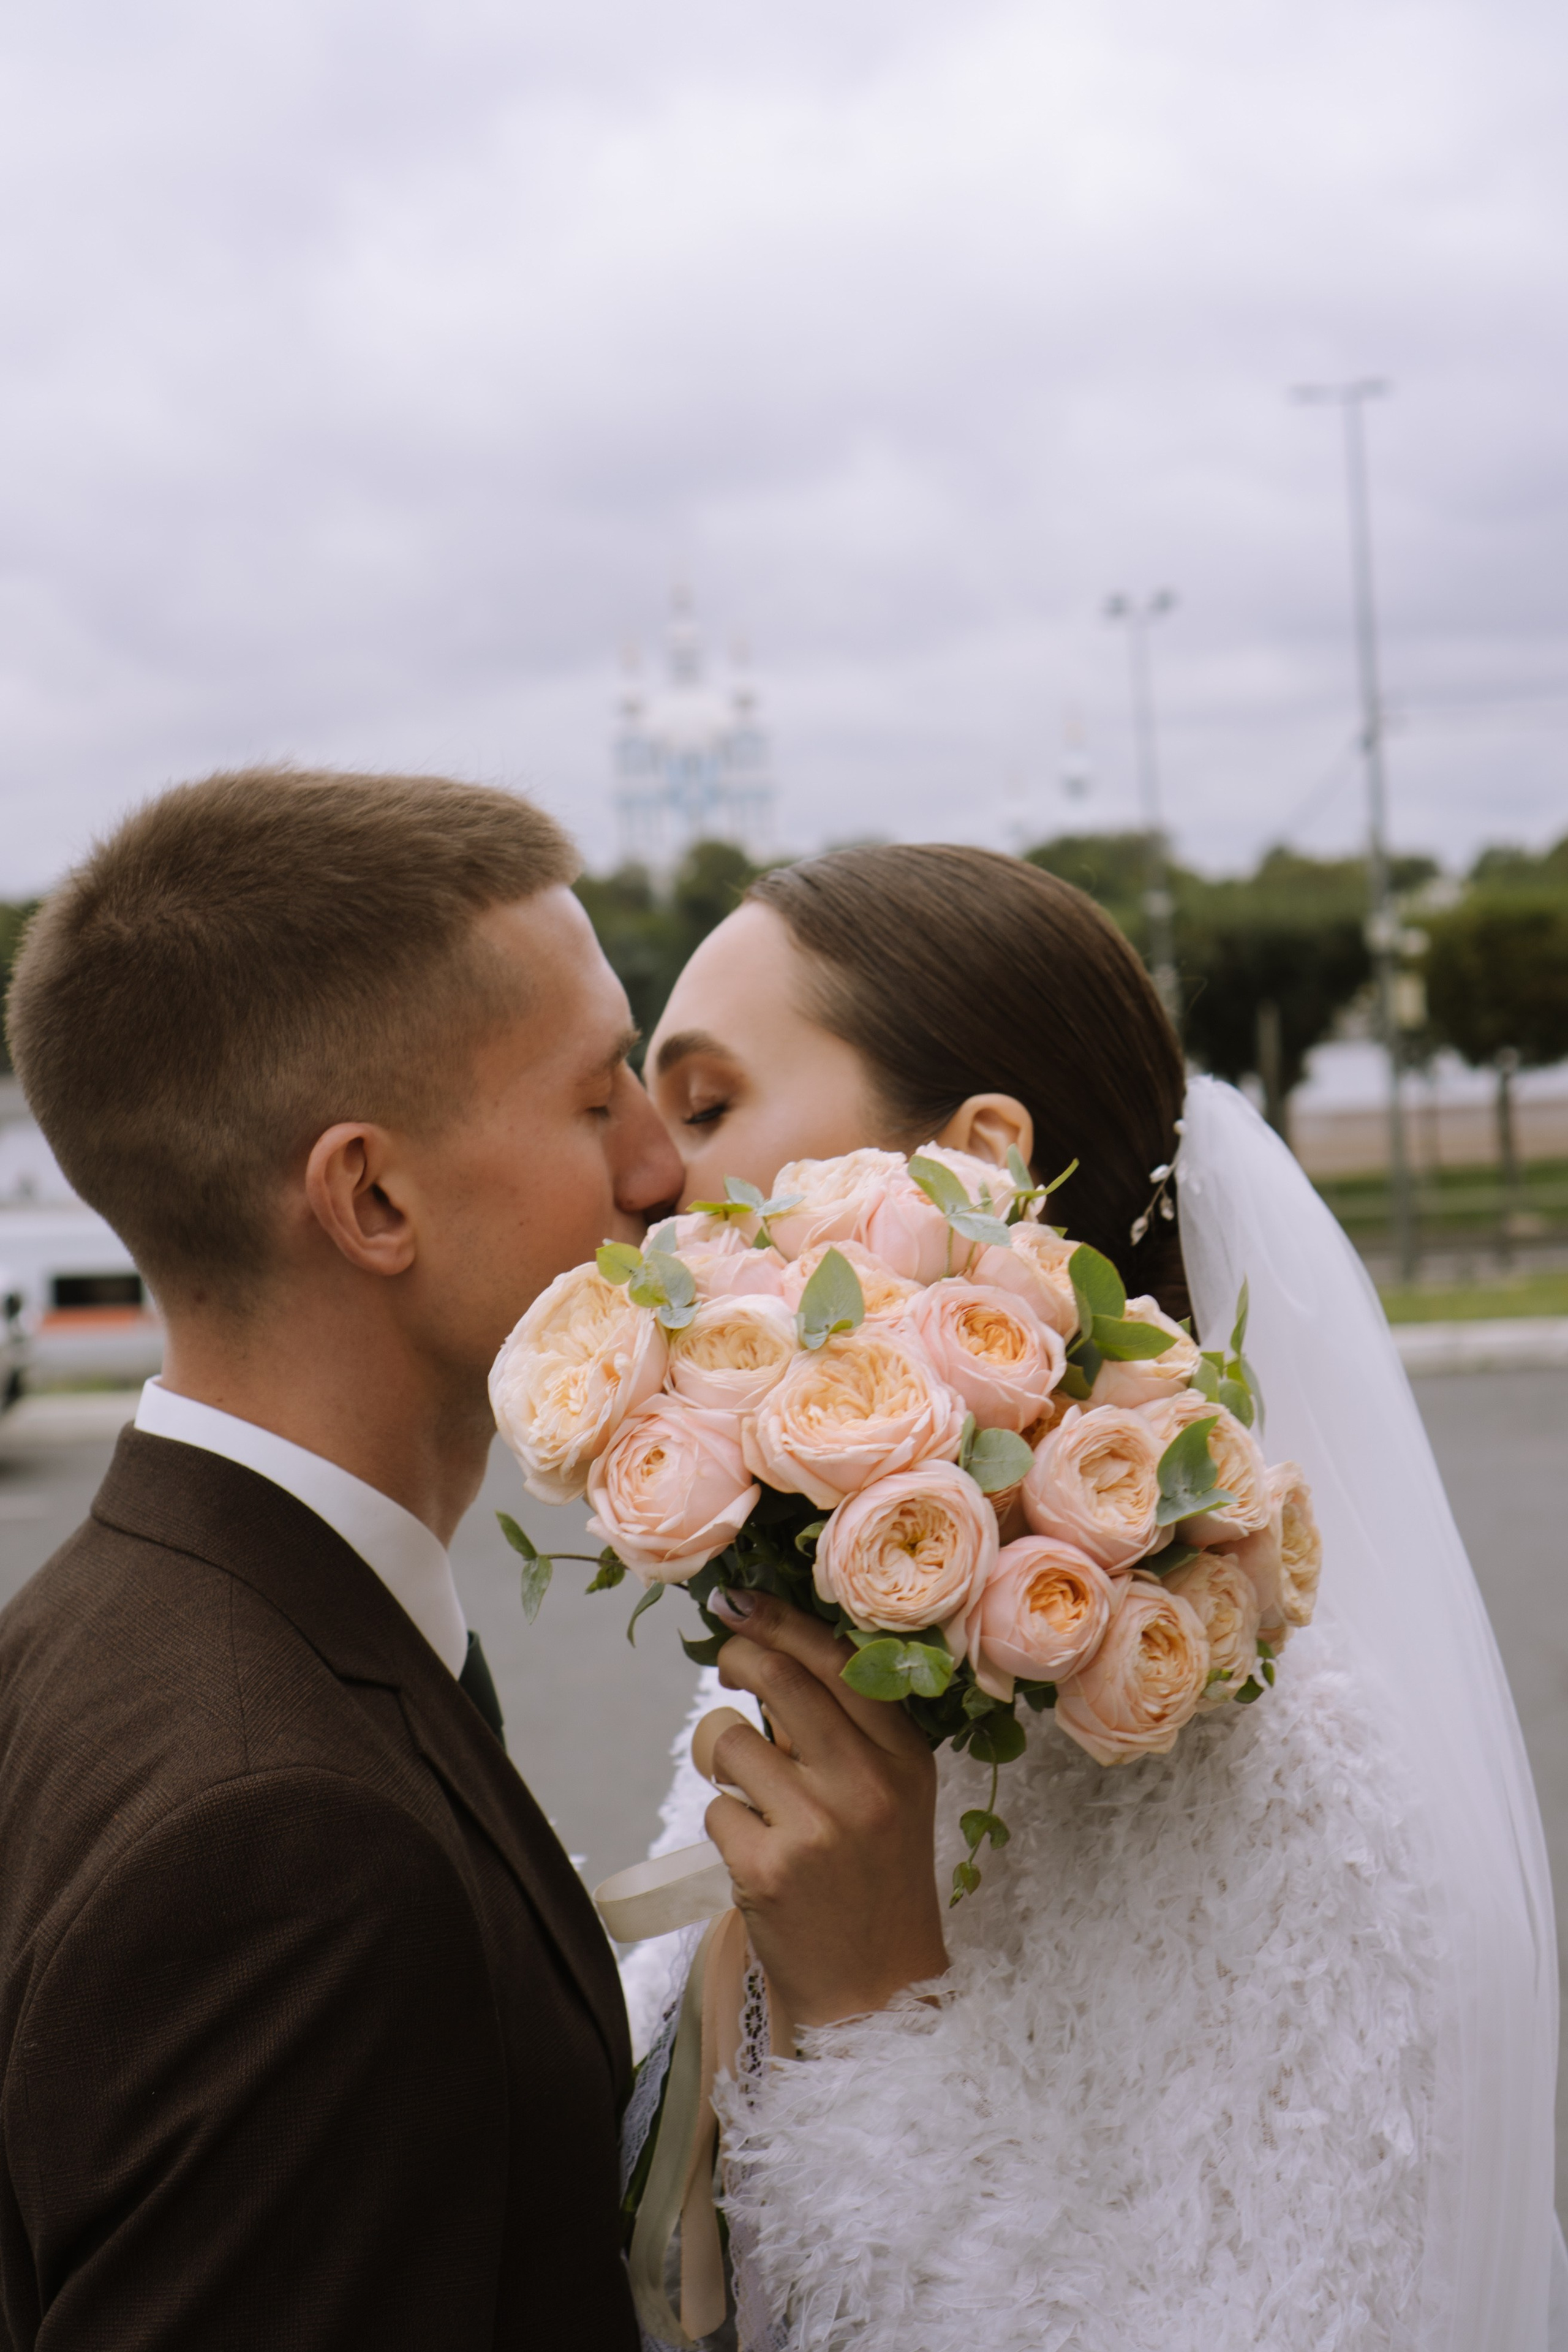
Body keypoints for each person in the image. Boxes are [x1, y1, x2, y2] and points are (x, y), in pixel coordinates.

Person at [0, 770, 944, 2352]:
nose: (665, 1171)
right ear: (372, 1197)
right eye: (595, 1103)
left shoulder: (92, 1627)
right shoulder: (287, 1848)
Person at [630, 841, 1564, 2352]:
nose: (640, 1184)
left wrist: (876, 2005)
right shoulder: (801, 1657)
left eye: (708, 1105)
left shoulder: (1307, 1796)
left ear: (979, 1163)